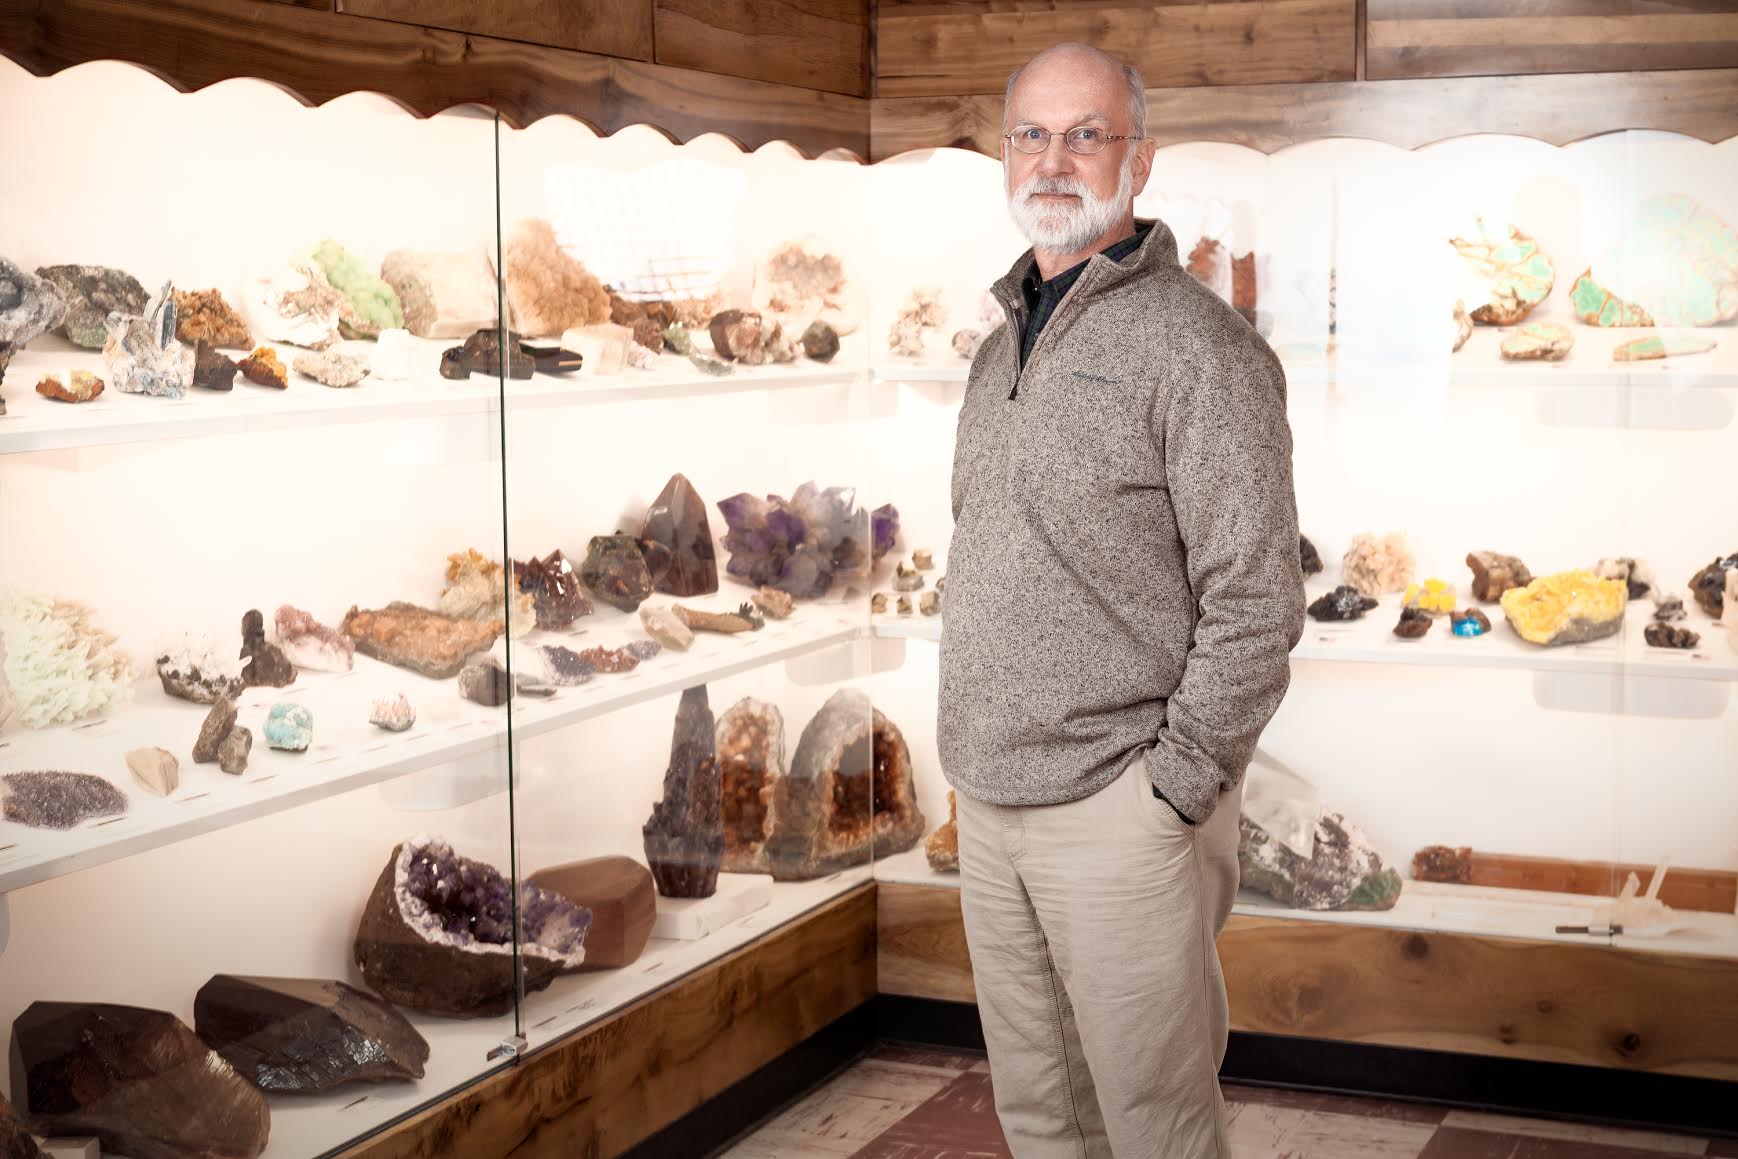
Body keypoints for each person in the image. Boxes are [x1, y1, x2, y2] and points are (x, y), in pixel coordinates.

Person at [938, 41, 1306, 1158]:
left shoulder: (1203, 350)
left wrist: (1172, 792)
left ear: (1138, 161)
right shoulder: (997, 344)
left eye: (1085, 135)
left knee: (1156, 1127)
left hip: (1119, 808)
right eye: (1031, 135)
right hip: (987, 801)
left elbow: (1257, 600)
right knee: (1041, 1116)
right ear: (1006, 154)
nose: (1053, 161)